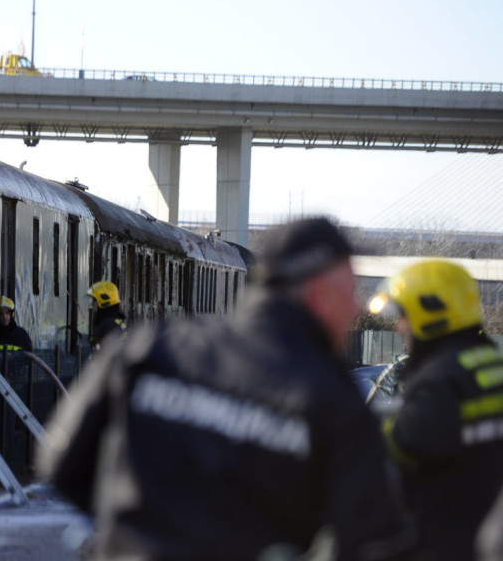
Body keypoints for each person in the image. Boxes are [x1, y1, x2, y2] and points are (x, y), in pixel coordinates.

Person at [36, 217, 414, 561]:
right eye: (349, 291)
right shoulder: (336, 404)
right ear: (319, 293)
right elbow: (374, 543)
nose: (354, 309)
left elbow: (59, 461)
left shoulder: (148, 348)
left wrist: (130, 536)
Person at [370, 260, 503, 560]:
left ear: (432, 315)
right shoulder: (487, 363)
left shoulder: (441, 380)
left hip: (442, 542)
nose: (398, 325)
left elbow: (401, 444)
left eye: (404, 315)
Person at [86, 280, 126, 351]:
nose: (91, 303)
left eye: (93, 300)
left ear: (104, 300)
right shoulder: (113, 320)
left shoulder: (110, 325)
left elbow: (108, 354)